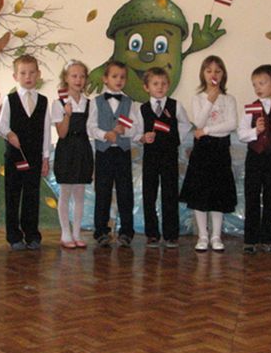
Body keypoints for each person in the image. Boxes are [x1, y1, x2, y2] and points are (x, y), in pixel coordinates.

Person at [180, 55, 237, 252]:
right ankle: (203, 235)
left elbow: (231, 124)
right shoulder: (198, 98)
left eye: (218, 71)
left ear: (223, 75)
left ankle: (216, 235)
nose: (213, 74)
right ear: (203, 74)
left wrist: (207, 131)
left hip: (220, 149)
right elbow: (199, 121)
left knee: (218, 194)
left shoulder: (229, 99)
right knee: (200, 193)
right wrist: (209, 101)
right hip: (202, 149)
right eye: (209, 71)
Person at [238, 64, 271, 254]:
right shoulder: (250, 108)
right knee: (252, 196)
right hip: (254, 156)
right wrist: (255, 131)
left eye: (262, 83)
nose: (258, 88)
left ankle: (268, 238)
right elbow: (241, 134)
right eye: (255, 84)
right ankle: (250, 239)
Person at [0, 54, 50, 251]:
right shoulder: (10, 100)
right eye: (23, 73)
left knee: (32, 195)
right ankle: (13, 235)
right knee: (13, 195)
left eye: (32, 72)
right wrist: (9, 134)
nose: (28, 77)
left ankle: (32, 234)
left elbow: (46, 131)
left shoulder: (43, 101)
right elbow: (2, 125)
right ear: (15, 76)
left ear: (38, 74)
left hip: (35, 156)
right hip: (15, 156)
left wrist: (45, 157)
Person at [135, 67, 191, 248]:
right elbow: (136, 132)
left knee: (170, 193)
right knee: (149, 194)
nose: (160, 87)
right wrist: (143, 137)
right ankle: (152, 233)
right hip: (151, 156)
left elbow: (185, 124)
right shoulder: (142, 109)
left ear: (168, 86)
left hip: (169, 155)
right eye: (155, 84)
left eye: (163, 84)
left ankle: (171, 234)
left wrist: (176, 138)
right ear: (147, 87)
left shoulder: (175, 106)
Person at [86, 60, 139, 248]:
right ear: (105, 79)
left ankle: (126, 231)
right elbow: (90, 127)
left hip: (123, 152)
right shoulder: (96, 102)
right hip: (104, 152)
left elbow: (136, 127)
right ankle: (101, 231)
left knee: (125, 192)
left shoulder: (130, 103)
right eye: (114, 76)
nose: (119, 80)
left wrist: (126, 130)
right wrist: (104, 134)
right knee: (102, 192)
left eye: (122, 77)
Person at [51, 60, 93, 249]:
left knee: (79, 193)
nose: (78, 80)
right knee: (66, 192)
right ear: (66, 78)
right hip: (66, 148)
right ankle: (65, 233)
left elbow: (91, 130)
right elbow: (61, 133)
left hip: (83, 148)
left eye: (82, 76)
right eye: (74, 76)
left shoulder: (89, 103)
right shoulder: (58, 103)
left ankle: (76, 233)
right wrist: (67, 114)